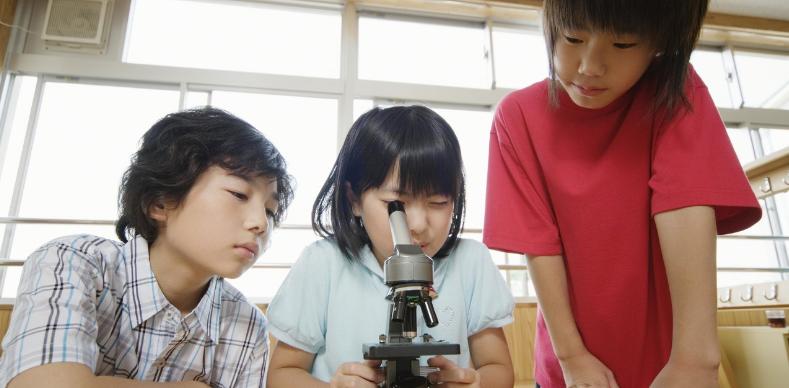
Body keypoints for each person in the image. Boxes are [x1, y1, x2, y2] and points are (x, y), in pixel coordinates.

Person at [483, 1, 762, 387]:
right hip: (569, 362)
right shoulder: (518, 116)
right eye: (573, 38)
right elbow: (539, 244)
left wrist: (694, 357)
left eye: (624, 45)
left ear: (660, 44)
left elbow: (685, 204)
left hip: (670, 362)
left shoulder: (674, 92)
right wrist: (572, 355)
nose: (589, 66)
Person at [0, 107, 294, 388]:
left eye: (270, 211)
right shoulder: (72, 262)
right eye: (239, 194)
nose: (261, 224)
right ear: (159, 202)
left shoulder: (248, 325)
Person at [266, 105, 515, 388]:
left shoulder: (471, 262)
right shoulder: (322, 264)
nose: (419, 224)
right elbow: (281, 375)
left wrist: (476, 383)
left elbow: (499, 369)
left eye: (438, 203)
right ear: (354, 198)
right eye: (396, 205)